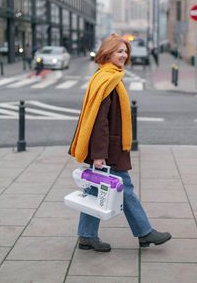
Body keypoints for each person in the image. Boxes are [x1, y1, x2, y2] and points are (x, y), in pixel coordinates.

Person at [69, 33, 171, 252]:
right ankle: (144, 232)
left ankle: (86, 236)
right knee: (125, 189)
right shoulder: (108, 79)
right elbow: (99, 121)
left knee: (97, 191)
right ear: (107, 53)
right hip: (109, 150)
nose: (124, 55)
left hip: (108, 148)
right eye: (119, 51)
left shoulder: (107, 75)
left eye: (125, 51)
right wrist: (98, 154)